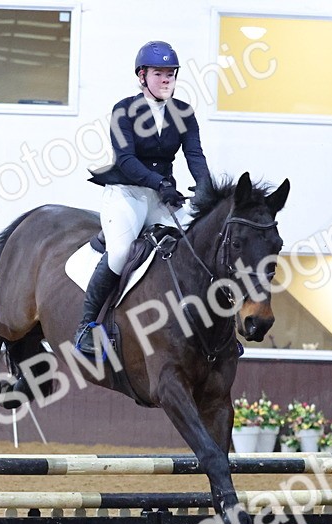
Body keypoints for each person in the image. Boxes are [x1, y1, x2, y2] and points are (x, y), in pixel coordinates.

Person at [74, 40, 212, 356]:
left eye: (171, 74)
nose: (166, 80)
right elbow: (125, 159)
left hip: (162, 198)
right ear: (142, 76)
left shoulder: (184, 113)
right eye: (159, 73)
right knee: (121, 251)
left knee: (199, 245)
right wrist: (159, 182)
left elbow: (194, 154)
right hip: (127, 194)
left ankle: (214, 328)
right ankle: (86, 326)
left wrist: (205, 188)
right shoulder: (124, 110)